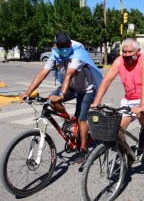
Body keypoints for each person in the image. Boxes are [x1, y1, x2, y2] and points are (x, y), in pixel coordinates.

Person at [21, 32, 103, 164]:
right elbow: (43, 73)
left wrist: (62, 95)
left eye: (67, 45)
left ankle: (83, 148)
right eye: (61, 46)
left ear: (70, 44)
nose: (64, 48)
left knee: (81, 119)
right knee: (50, 101)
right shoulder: (55, 55)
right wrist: (28, 92)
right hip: (71, 87)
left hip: (86, 90)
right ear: (56, 46)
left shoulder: (78, 55)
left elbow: (69, 74)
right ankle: (69, 120)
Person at [91, 38, 144, 153]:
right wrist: (96, 102)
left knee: (142, 114)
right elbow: (106, 81)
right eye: (124, 52)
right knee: (118, 131)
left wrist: (142, 106)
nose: (127, 55)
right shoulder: (119, 61)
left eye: (130, 52)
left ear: (138, 51)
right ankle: (126, 155)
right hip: (129, 99)